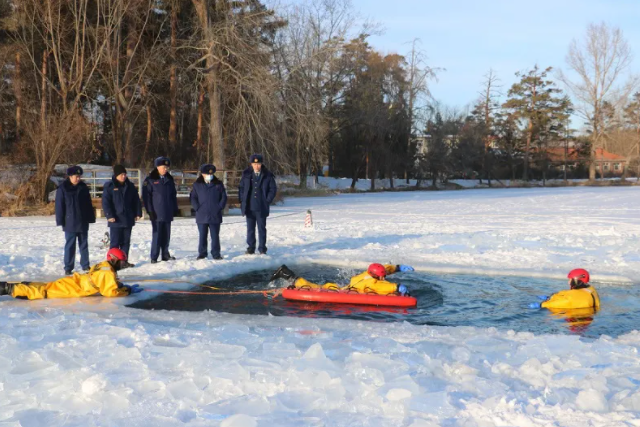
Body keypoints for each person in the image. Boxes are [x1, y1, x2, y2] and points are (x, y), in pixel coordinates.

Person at [0, 249, 143, 300]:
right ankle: (7, 289)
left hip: (73, 282)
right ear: (113, 259)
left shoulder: (104, 265)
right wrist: (127, 291)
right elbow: (110, 292)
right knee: (41, 292)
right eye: (122, 262)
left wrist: (118, 284)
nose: (123, 265)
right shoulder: (108, 273)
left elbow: (102, 281)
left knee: (45, 287)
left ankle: (8, 287)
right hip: (72, 288)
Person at [270, 263, 415, 295]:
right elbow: (382, 287)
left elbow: (382, 268)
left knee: (316, 285)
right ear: (376, 276)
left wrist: (396, 268)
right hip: (340, 291)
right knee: (313, 288)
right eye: (382, 275)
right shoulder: (373, 282)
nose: (384, 276)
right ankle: (287, 274)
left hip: (343, 287)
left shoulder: (368, 273)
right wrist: (397, 287)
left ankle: (288, 274)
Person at [55, 165, 96, 275]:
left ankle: (85, 265)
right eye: (75, 176)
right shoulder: (63, 188)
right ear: (70, 176)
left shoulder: (83, 187)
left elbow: (88, 204)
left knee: (84, 244)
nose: (77, 178)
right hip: (70, 222)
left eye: (79, 176)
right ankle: (68, 267)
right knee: (70, 245)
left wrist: (91, 218)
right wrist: (60, 220)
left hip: (82, 221)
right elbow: (59, 206)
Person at [102, 164, 142, 267]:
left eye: (125, 174)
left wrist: (138, 212)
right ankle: (113, 262)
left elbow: (136, 200)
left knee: (126, 242)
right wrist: (109, 215)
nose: (123, 176)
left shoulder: (130, 186)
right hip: (115, 219)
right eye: (121, 174)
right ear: (116, 175)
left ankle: (124, 261)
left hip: (128, 218)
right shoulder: (109, 186)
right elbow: (106, 202)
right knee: (115, 243)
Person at [238, 154, 277, 255]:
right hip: (249, 207)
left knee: (261, 229)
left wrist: (267, 200)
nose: (257, 166)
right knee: (250, 229)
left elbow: (273, 189)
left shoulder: (268, 175)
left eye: (258, 164)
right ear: (251, 164)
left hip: (261, 207)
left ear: (261, 164)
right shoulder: (246, 175)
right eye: (254, 164)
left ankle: (262, 248)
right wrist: (242, 200)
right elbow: (241, 188)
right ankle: (251, 248)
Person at [142, 156, 179, 264]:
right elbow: (146, 197)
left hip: (167, 211)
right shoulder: (150, 180)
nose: (165, 169)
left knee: (166, 235)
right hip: (156, 212)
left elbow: (173, 195)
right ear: (157, 167)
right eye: (163, 167)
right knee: (157, 235)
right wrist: (150, 211)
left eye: (167, 167)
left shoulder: (169, 179)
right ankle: (154, 256)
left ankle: (165, 254)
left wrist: (174, 208)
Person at [190, 164, 227, 260]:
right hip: (202, 214)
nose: (209, 175)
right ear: (202, 174)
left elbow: (223, 197)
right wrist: (197, 207)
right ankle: (202, 253)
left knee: (215, 236)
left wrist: (219, 207)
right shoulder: (197, 185)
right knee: (202, 235)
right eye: (207, 173)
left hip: (215, 214)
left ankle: (216, 254)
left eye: (211, 173)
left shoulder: (218, 184)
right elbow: (193, 197)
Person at [530, 268, 601, 309]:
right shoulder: (591, 289)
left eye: (570, 280)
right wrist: (551, 297)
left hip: (579, 316)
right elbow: (569, 294)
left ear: (576, 281)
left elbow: (563, 302)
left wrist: (541, 305)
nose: (568, 283)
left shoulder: (572, 298)